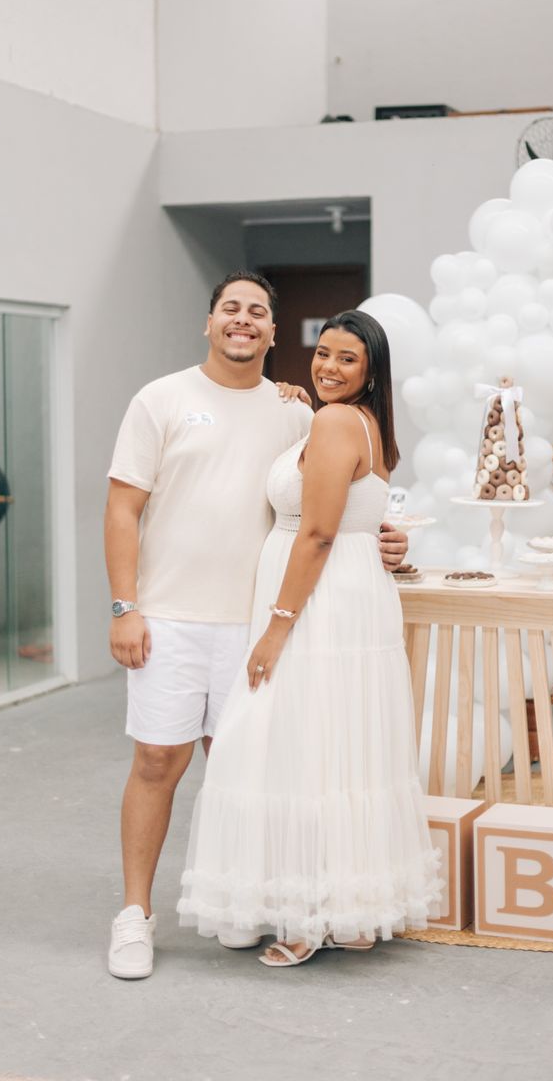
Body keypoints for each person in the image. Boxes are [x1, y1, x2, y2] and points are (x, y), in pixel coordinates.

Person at [104, 273, 407, 979]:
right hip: (171, 618)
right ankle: (134, 915)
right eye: (231, 309)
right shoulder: (161, 399)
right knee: (157, 763)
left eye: (258, 312)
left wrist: (388, 539)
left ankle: (248, 899)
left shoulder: (299, 412)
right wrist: (124, 606)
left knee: (253, 766)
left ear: (273, 332)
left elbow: (341, 504)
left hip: (260, 622)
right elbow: (121, 508)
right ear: (209, 321)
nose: (243, 320)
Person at [178, 310, 441, 966]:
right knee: (340, 746)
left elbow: (318, 534)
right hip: (351, 597)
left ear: (371, 370)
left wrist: (276, 627)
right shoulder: (363, 423)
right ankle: (349, 910)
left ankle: (306, 916)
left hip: (316, 605)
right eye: (323, 353)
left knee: (297, 745)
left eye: (347, 358)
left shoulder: (334, 422)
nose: (328, 366)